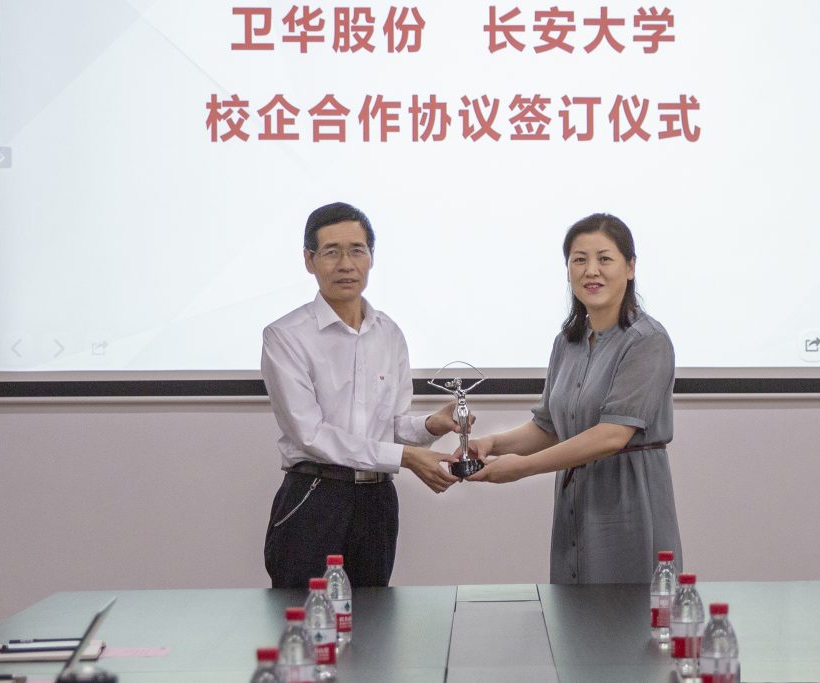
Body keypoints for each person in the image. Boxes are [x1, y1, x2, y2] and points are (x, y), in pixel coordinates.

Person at [466, 213, 683, 583]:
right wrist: (491, 444)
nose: (591, 271)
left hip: (629, 501)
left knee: (625, 611)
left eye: (604, 259)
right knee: (572, 610)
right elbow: (549, 427)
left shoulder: (648, 340)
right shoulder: (567, 342)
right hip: (575, 503)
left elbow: (612, 435)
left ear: (630, 267)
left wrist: (521, 467)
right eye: (579, 260)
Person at [261, 201, 460, 589]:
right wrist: (405, 457)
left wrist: (431, 425)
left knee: (375, 616)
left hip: (376, 500)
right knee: (303, 613)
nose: (346, 264)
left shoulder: (389, 333)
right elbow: (311, 435)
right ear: (309, 260)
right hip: (314, 496)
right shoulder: (285, 336)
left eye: (357, 250)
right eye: (331, 252)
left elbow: (390, 427)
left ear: (371, 258)